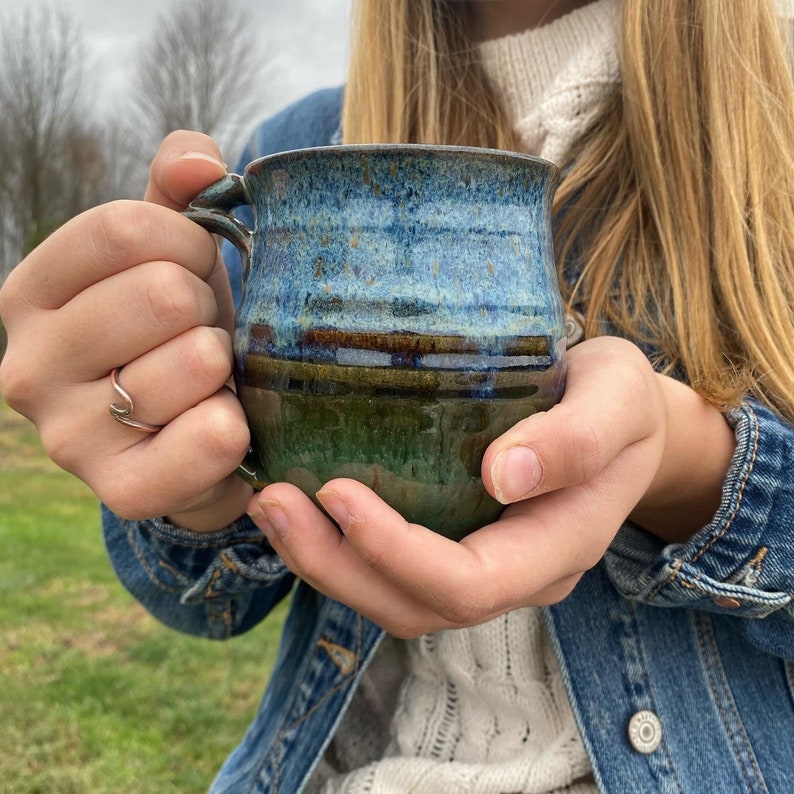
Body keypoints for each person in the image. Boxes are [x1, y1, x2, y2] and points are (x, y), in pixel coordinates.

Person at [2, 0, 793, 791]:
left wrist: (691, 465)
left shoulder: (772, 139)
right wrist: (185, 462)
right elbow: (197, 602)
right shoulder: (294, 149)